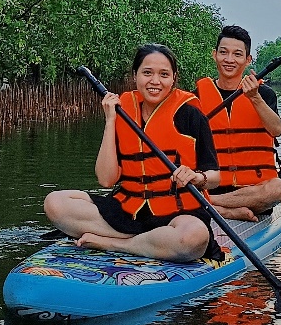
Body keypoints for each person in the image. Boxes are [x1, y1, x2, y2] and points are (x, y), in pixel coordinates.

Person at [44, 43, 221, 263]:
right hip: (129, 211)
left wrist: (197, 177)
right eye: (147, 73)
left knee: (194, 238)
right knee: (55, 203)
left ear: (174, 78)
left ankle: (115, 244)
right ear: (135, 75)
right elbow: (106, 179)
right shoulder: (121, 111)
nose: (155, 81)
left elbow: (214, 177)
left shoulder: (191, 114)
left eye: (164, 74)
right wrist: (110, 121)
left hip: (178, 214)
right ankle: (150, 242)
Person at [193, 25, 281, 222]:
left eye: (237, 54)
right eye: (223, 52)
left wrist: (254, 98)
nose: (229, 59)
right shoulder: (195, 98)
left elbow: (276, 130)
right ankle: (224, 210)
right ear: (214, 55)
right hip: (211, 183)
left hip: (254, 190)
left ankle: (210, 205)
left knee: (278, 188)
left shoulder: (264, 94)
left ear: (248, 60)